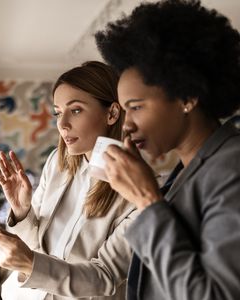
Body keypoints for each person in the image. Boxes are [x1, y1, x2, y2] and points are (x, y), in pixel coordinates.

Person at [95, 1, 240, 299]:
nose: (127, 125)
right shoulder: (183, 174)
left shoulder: (232, 167)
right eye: (124, 110)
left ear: (187, 97)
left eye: (136, 107)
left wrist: (147, 201)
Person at [0, 61, 137, 300]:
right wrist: (22, 212)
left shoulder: (139, 190)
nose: (62, 123)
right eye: (58, 112)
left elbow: (105, 278)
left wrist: (31, 264)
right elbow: (34, 244)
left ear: (112, 113)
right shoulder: (57, 163)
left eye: (75, 110)